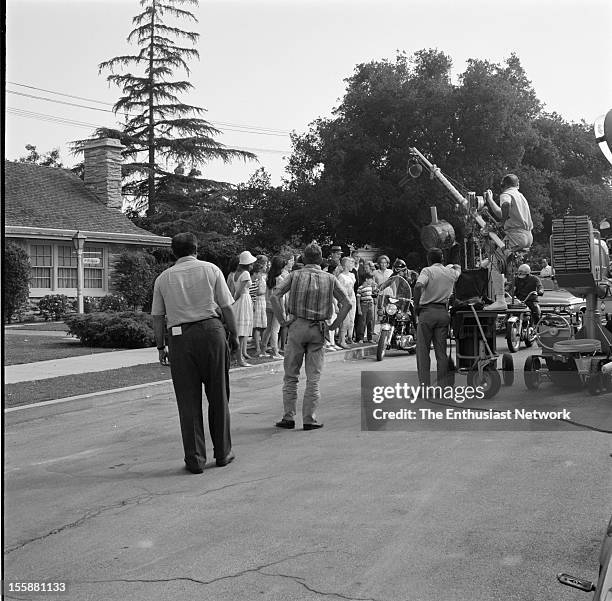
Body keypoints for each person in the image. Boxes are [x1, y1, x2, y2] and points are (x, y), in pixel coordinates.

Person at [151, 232, 238, 473]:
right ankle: (222, 453)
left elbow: (158, 317)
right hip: (211, 331)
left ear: (174, 252)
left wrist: (161, 346)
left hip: (180, 336)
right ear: (196, 248)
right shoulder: (211, 270)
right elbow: (226, 307)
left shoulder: (163, 278)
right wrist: (235, 336)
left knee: (188, 401)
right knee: (218, 394)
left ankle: (195, 459)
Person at [271, 242, 351, 430]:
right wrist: (334, 325)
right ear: (320, 258)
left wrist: (283, 321)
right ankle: (309, 418)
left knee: (291, 376)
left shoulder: (294, 275)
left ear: (304, 259)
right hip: (318, 328)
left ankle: (288, 417)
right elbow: (346, 303)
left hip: (297, 325)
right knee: (313, 377)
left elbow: (275, 296)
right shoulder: (330, 278)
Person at [483, 173, 534, 311]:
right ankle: (507, 293)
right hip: (527, 236)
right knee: (504, 262)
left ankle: (500, 299)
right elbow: (502, 211)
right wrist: (490, 200)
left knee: (493, 262)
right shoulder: (520, 196)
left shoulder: (506, 194)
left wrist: (502, 222)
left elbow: (505, 205)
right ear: (517, 184)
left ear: (503, 185)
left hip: (515, 235)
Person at [413, 247, 461, 387]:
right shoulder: (450, 272)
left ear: (429, 259)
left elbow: (418, 286)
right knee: (441, 353)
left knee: (423, 352)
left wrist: (416, 306)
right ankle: (443, 387)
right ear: (442, 259)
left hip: (427, 312)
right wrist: (452, 266)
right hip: (442, 312)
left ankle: (424, 387)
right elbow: (458, 269)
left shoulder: (427, 271)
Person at [228, 250, 257, 367]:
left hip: (240, 301)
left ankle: (235, 357)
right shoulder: (245, 274)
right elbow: (239, 291)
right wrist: (234, 301)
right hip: (243, 300)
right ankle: (240, 359)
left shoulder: (234, 274)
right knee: (242, 332)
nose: (252, 265)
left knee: (238, 331)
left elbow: (233, 290)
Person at [261, 254, 288, 359]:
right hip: (277, 306)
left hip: (268, 304)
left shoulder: (268, 277)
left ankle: (263, 349)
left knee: (268, 328)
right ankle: (275, 351)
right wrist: (283, 310)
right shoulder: (280, 279)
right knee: (275, 329)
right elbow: (280, 296)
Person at [336, 256, 357, 348]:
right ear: (346, 265)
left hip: (352, 298)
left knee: (351, 320)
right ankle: (342, 340)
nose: (352, 265)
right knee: (345, 321)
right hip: (345, 300)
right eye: (351, 263)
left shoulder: (352, 275)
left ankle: (344, 338)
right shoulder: (341, 276)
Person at [250, 256, 268, 356]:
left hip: (263, 301)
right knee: (257, 325)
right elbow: (257, 291)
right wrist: (264, 291)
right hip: (258, 301)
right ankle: (257, 348)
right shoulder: (256, 278)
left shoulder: (262, 277)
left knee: (263, 325)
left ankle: (262, 348)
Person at [355, 261, 377, 343]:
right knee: (362, 322)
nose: (372, 281)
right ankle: (360, 338)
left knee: (370, 321)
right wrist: (359, 308)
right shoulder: (360, 288)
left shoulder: (371, 287)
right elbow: (358, 298)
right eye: (371, 280)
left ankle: (370, 337)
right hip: (363, 304)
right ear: (367, 279)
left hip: (370, 305)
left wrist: (375, 289)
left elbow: (375, 293)